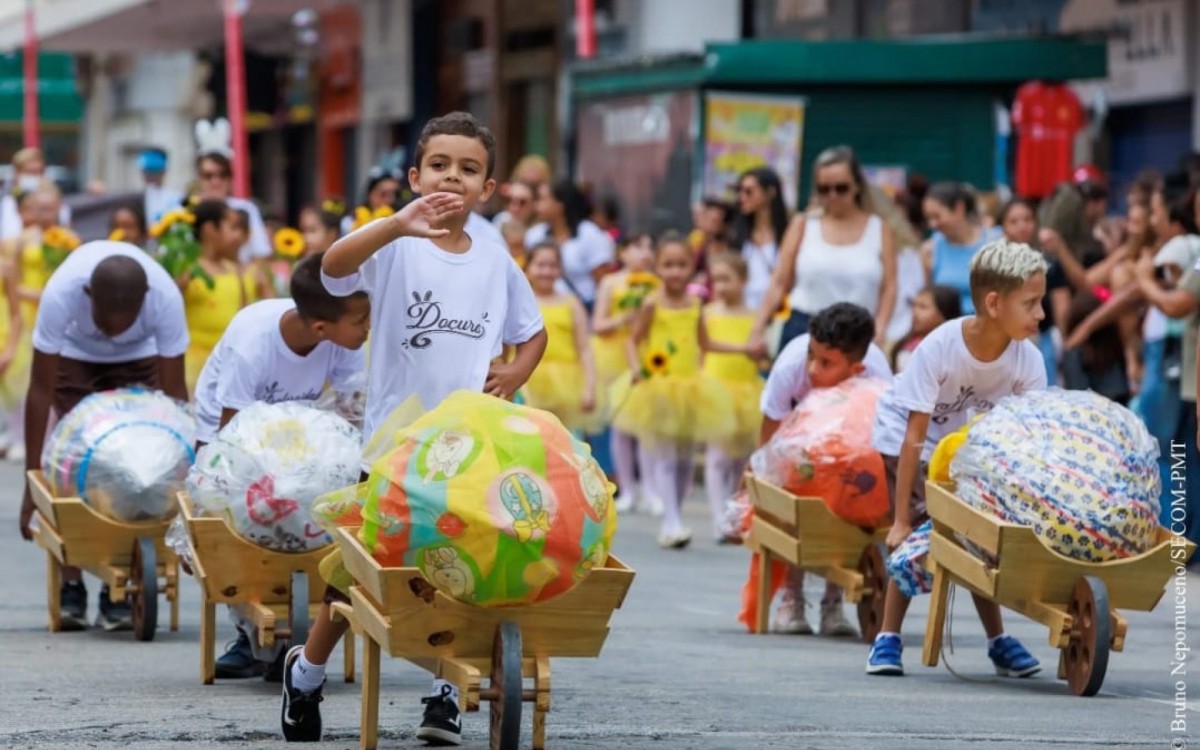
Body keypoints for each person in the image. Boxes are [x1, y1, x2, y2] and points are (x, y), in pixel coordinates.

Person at [283, 111, 547, 745]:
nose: (451, 177)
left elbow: (531, 332)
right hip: (393, 445)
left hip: (468, 448)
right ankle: (308, 674)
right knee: (359, 575)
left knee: (468, 568)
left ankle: (444, 697)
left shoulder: (494, 257)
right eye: (439, 165)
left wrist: (512, 374)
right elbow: (330, 272)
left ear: (488, 188)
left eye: (468, 168)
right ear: (414, 175)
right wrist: (394, 224)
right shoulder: (394, 244)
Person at [866, 238, 1047, 677]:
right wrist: (900, 520)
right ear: (993, 303)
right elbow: (914, 435)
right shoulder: (942, 345)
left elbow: (1027, 439)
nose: (1041, 315)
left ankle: (998, 641)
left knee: (979, 529)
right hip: (910, 439)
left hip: (966, 449)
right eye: (1031, 303)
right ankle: (886, 638)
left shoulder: (1029, 360)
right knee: (925, 526)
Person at [195, 253, 368, 678]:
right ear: (322, 329)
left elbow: (353, 409)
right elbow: (232, 439)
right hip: (228, 427)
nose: (368, 329)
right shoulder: (253, 344)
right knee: (241, 521)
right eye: (361, 322)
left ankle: (299, 628)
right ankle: (246, 634)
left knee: (311, 509)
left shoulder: (342, 342)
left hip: (297, 430)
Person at [17, 241, 189, 631]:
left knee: (137, 468)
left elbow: (176, 396)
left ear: (144, 302)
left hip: (139, 361)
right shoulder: (61, 292)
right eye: (104, 320)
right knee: (71, 463)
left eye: (123, 322)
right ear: (87, 296)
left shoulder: (164, 298)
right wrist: (31, 480)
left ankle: (123, 590)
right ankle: (72, 583)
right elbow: (41, 389)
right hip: (74, 359)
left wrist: (184, 477)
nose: (113, 332)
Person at [757, 303, 892, 635]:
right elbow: (770, 431)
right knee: (799, 504)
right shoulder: (791, 366)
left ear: (857, 368)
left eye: (827, 363)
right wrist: (764, 482)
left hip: (850, 448)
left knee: (849, 503)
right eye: (811, 355)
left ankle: (833, 601)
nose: (814, 368)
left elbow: (883, 437)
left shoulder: (877, 375)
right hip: (795, 446)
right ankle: (792, 596)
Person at [614, 233, 739, 549]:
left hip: (691, 387)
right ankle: (671, 520)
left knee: (684, 459)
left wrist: (743, 348)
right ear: (657, 267)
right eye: (668, 265)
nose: (675, 272)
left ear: (691, 267)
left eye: (682, 265)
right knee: (666, 455)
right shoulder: (651, 303)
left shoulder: (697, 303)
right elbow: (633, 340)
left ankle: (675, 515)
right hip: (660, 387)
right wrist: (635, 368)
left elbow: (706, 344)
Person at [749, 147, 897, 357]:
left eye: (841, 188)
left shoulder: (879, 228)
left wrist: (880, 330)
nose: (833, 195)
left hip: (857, 334)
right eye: (824, 189)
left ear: (857, 186)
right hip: (804, 328)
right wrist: (758, 328)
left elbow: (890, 286)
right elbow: (780, 281)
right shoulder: (803, 224)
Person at [592, 233, 657, 513]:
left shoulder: (655, 285)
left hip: (645, 354)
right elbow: (598, 323)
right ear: (624, 252)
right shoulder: (611, 282)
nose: (645, 253)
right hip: (612, 356)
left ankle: (651, 489)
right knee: (619, 424)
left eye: (649, 248)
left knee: (646, 425)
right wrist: (623, 318)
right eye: (639, 246)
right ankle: (626, 488)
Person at [699, 253, 760, 541]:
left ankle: (735, 515)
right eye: (716, 280)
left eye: (727, 279)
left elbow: (760, 355)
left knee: (739, 459)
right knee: (717, 457)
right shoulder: (709, 313)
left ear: (743, 280)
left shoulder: (755, 316)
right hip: (716, 390)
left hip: (745, 390)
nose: (721, 286)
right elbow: (701, 352)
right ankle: (718, 517)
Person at [521, 241, 598, 434]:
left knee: (568, 441)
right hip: (528, 383)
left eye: (552, 266)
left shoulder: (572, 303)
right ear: (527, 268)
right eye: (540, 265)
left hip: (567, 385)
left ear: (560, 270)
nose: (546, 271)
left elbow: (584, 348)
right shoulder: (521, 301)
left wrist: (589, 387)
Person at [181, 200, 247, 391]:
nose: (237, 235)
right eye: (231, 227)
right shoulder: (188, 271)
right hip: (194, 371)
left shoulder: (235, 270)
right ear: (210, 230)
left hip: (228, 366)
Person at [526, 179, 615, 310]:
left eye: (542, 199)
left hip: (583, 313)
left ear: (559, 205)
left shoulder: (590, 235)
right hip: (541, 310)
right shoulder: (534, 235)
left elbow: (603, 282)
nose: (536, 206)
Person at [920, 181, 1000, 315]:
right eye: (929, 218)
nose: (932, 224)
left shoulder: (995, 242)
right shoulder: (930, 248)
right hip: (948, 330)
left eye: (937, 216)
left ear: (959, 208)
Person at [194, 151, 271, 262]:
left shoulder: (246, 208)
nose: (216, 181)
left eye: (222, 175)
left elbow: (261, 252)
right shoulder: (184, 212)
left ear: (230, 178)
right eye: (208, 176)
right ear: (199, 179)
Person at [730, 167, 788, 312]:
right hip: (741, 314)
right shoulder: (736, 234)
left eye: (749, 191)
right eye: (740, 191)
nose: (742, 197)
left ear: (770, 193)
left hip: (776, 313)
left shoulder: (788, 234)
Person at [1, 148, 70, 239]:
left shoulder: (55, 198)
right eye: (30, 172)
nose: (36, 176)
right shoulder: (6, 200)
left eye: (40, 172)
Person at [891, 286, 961, 374]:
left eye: (923, 307)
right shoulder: (906, 347)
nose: (915, 312)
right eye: (914, 306)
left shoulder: (958, 351)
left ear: (943, 314)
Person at [140, 147, 183, 226]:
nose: (150, 175)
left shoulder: (176, 198)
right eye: (147, 171)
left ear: (163, 171)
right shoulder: (138, 199)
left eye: (154, 171)